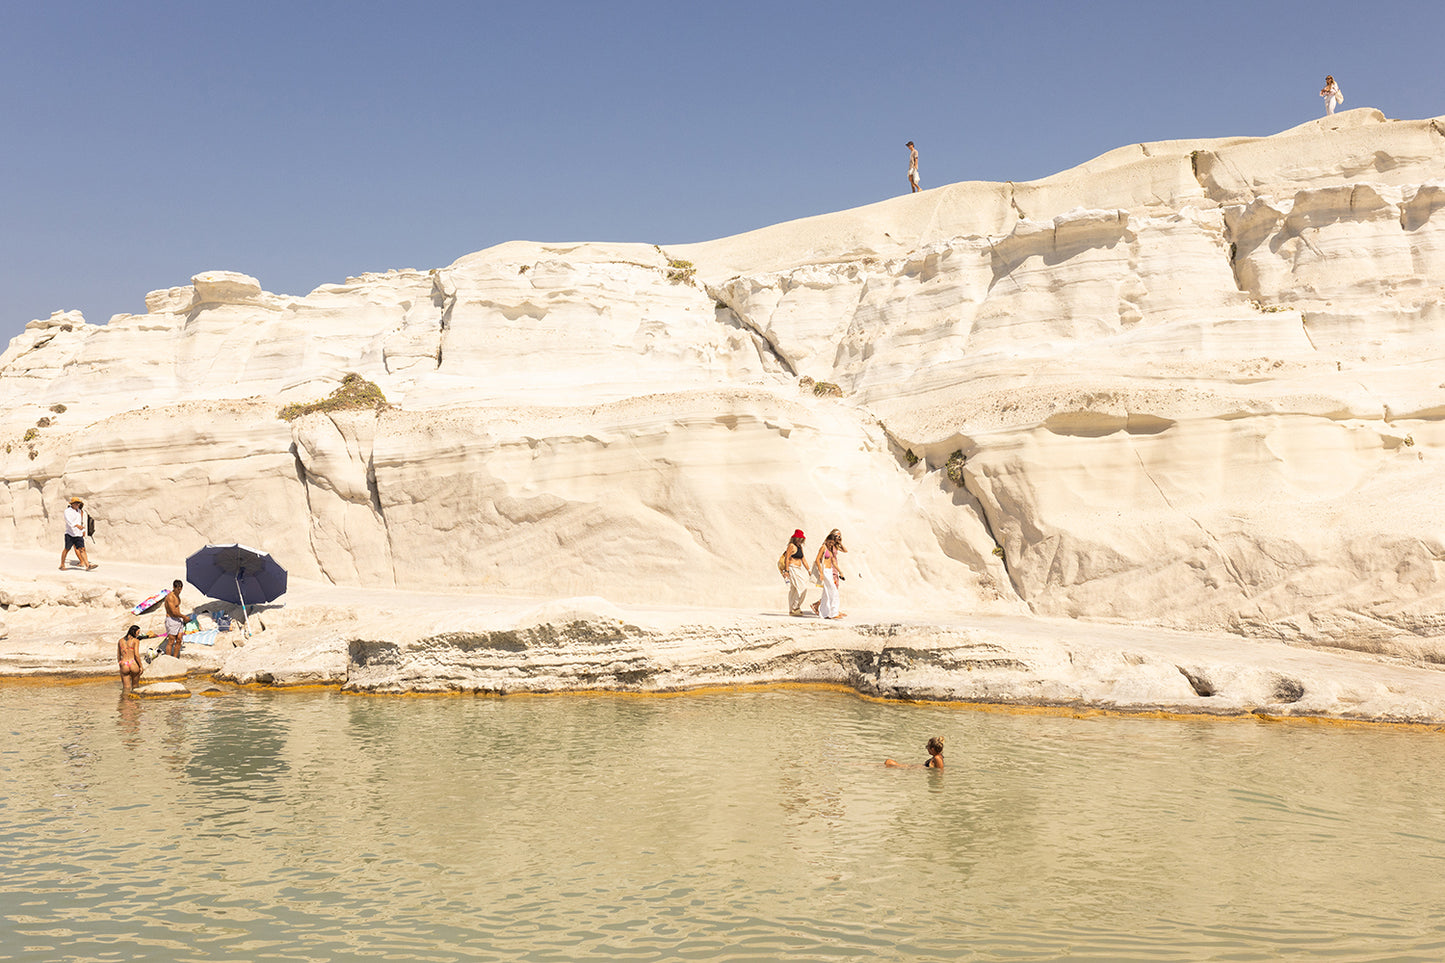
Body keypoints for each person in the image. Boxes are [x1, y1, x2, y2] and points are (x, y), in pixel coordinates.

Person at [811, 529, 847, 619]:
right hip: (825, 571)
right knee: (833, 592)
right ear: (827, 540)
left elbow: (834, 562)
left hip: (830, 570)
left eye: (832, 543)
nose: (831, 544)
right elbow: (817, 560)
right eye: (830, 542)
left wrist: (840, 571)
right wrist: (821, 572)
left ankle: (824, 613)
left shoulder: (830, 548)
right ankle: (833, 613)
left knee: (827, 593)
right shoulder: (823, 547)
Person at [778, 529, 812, 616]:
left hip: (799, 568)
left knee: (794, 589)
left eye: (801, 539)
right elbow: (787, 558)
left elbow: (803, 559)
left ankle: (792, 609)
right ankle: (795, 607)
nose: (800, 541)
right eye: (798, 539)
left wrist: (808, 569)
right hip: (792, 568)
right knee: (801, 587)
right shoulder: (791, 546)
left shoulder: (800, 547)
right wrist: (786, 571)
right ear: (795, 538)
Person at [59, 497, 95, 570]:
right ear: (72, 504)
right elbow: (68, 521)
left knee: (82, 549)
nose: (77, 504)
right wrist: (76, 525)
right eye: (76, 503)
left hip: (78, 534)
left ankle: (87, 565)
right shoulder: (67, 511)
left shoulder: (79, 511)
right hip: (70, 533)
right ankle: (62, 565)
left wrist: (82, 530)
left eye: (78, 503)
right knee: (67, 549)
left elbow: (81, 521)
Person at [162, 580, 186, 658]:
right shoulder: (170, 597)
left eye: (180, 589)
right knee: (171, 641)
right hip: (171, 619)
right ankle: (168, 659)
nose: (179, 591)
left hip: (178, 620)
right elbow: (173, 612)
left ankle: (175, 658)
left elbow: (177, 609)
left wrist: (181, 618)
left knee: (179, 639)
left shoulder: (177, 595)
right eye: (178, 589)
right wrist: (184, 617)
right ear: (173, 587)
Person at [118, 625, 145, 692]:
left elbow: (118, 654)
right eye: (138, 632)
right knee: (135, 687)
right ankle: (135, 702)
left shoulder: (120, 641)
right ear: (134, 632)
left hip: (124, 663)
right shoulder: (135, 641)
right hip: (133, 663)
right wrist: (141, 666)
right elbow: (136, 655)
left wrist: (120, 663)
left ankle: (125, 701)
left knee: (126, 688)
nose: (138, 634)